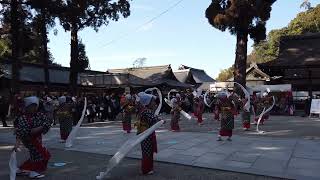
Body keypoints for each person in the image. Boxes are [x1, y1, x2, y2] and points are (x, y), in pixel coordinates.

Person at [13, 96, 52, 179]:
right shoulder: (23, 118)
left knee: (39, 155)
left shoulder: (39, 114)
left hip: (38, 138)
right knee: (39, 154)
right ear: (27, 107)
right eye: (31, 106)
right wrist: (17, 144)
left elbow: (47, 123)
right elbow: (21, 132)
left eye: (35, 106)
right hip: (29, 139)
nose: (34, 108)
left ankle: (22, 169)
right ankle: (33, 172)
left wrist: (39, 128)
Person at [135, 92, 162, 175]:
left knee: (147, 151)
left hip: (144, 133)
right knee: (147, 152)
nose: (154, 103)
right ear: (147, 103)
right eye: (152, 102)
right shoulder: (146, 111)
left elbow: (153, 118)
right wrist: (161, 121)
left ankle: (148, 168)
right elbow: (155, 120)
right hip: (146, 134)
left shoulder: (143, 110)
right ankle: (146, 169)